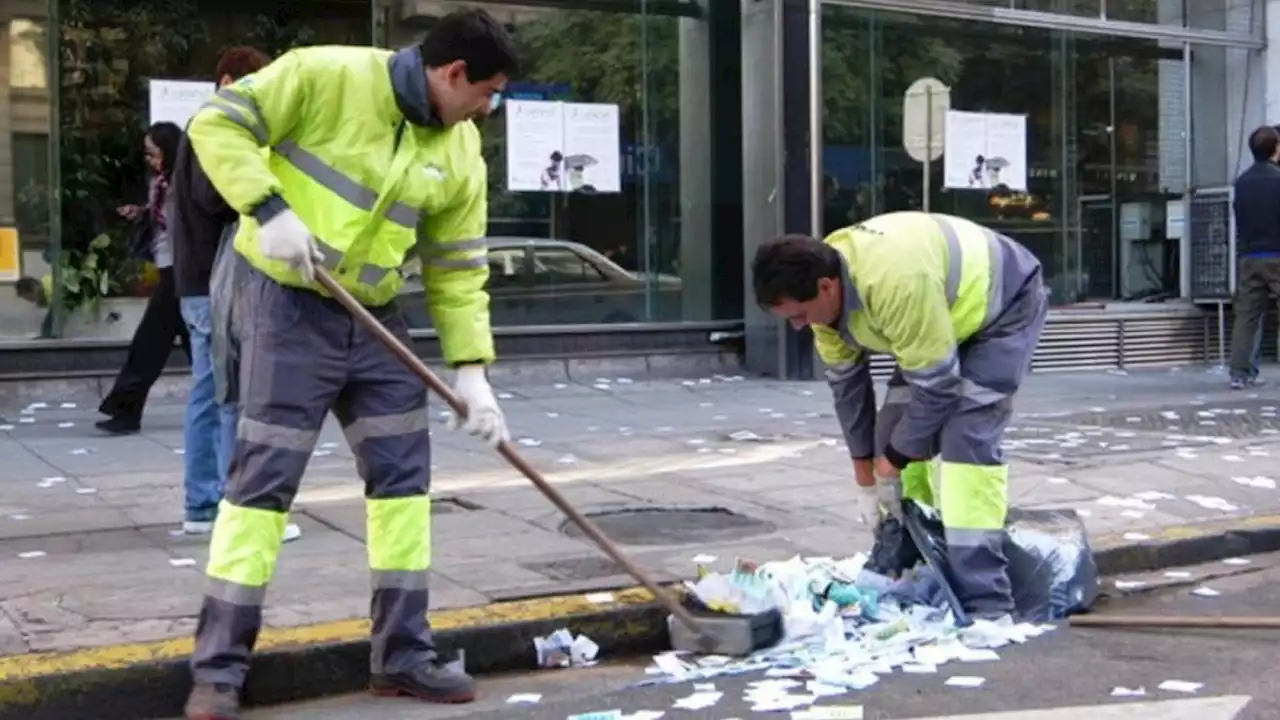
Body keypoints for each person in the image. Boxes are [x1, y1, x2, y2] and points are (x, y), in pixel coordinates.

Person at [180, 9, 519, 719]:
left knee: (403, 486)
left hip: (376, 316)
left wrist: (471, 371)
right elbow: (216, 124)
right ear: (452, 74)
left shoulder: (460, 152)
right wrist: (267, 208)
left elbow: (458, 267)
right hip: (286, 303)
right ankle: (218, 671)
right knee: (261, 486)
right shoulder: (323, 74)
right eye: (485, 92)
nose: (487, 108)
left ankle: (402, 656)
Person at [750, 211, 1049, 620]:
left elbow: (939, 388)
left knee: (965, 440)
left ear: (826, 286)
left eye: (799, 315)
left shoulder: (894, 284)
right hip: (936, 325)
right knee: (893, 431)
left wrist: (889, 465)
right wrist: (866, 479)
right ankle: (912, 558)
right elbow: (848, 391)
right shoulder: (825, 302)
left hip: (1001, 308)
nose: (799, 327)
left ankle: (986, 600)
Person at [169, 45, 283, 538]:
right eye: (252, 86)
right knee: (224, 390)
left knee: (212, 388)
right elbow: (216, 199)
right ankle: (223, 504)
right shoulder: (212, 128)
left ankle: (205, 503)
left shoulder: (203, 127)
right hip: (212, 280)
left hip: (199, 277)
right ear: (229, 80)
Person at [96, 122, 192, 435]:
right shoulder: (160, 184)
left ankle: (125, 408)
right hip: (170, 270)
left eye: (154, 153)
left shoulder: (185, 183)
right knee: (197, 349)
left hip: (181, 272)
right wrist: (141, 212)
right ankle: (233, 403)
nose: (150, 160)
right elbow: (161, 218)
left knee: (149, 344)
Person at [1229, 125, 1280, 390]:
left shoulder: (1242, 181)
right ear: (1275, 149)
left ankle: (1240, 372)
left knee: (1247, 316)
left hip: (1249, 256)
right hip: (1277, 253)